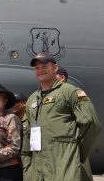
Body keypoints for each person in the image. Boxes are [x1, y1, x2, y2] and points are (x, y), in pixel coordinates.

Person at [23, 52, 102, 181]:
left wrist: (76, 153)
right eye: (37, 68)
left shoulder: (69, 92)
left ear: (55, 68)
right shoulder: (32, 99)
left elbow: (92, 125)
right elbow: (28, 135)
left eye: (44, 66)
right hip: (39, 169)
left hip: (64, 166)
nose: (40, 70)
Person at [56, 65, 93, 181]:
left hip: (73, 153)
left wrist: (79, 148)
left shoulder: (75, 93)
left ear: (62, 78)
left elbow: (92, 125)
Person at [12, 93, 31, 181]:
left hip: (28, 160)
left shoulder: (31, 120)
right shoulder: (11, 122)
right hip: (14, 160)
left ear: (24, 103)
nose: (14, 105)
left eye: (17, 102)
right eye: (12, 102)